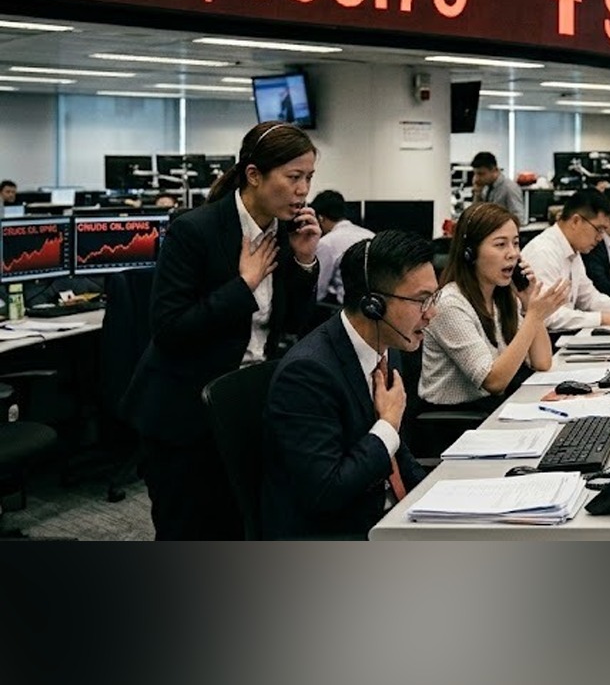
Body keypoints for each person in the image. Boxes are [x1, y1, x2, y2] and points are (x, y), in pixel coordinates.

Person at [121, 121, 322, 540]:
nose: (303, 190)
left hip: (243, 405)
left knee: (239, 528)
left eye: (309, 178)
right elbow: (170, 328)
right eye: (293, 177)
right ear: (254, 175)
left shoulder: (284, 233)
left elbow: (291, 326)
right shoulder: (195, 230)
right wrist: (243, 285)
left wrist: (304, 261)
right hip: (184, 414)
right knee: (189, 534)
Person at [260, 232, 435, 539]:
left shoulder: (387, 348)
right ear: (373, 305)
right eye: (422, 300)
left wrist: (435, 503)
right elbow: (326, 490)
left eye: (434, 298)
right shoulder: (308, 374)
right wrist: (387, 425)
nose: (432, 313)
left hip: (388, 520)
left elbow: (397, 454)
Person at [419, 204, 568, 410]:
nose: (513, 254)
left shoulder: (501, 297)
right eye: (500, 245)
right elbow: (494, 382)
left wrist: (528, 302)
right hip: (455, 418)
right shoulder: (449, 304)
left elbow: (542, 362)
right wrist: (534, 316)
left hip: (492, 408)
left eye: (516, 243)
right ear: (470, 253)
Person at [518, 188, 610, 333]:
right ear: (576, 221)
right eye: (598, 229)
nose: (600, 237)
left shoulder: (573, 250)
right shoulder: (543, 252)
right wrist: (603, 318)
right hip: (544, 338)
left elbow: (589, 298)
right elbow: (547, 315)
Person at [468, 150, 526, 224]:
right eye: (475, 174)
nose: (477, 178)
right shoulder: (485, 188)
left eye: (481, 174)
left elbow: (519, 218)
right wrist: (477, 194)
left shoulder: (509, 188)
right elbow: (475, 215)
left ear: (494, 170)